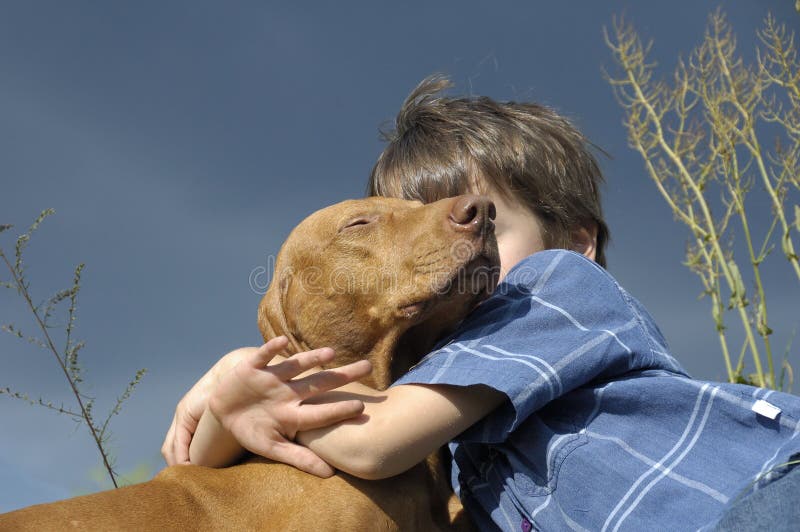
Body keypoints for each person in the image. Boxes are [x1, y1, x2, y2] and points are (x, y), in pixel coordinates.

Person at [162, 76, 800, 531]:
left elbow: (372, 442)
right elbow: (193, 469)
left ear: (578, 243)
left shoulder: (555, 290)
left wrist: (240, 391)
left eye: (489, 218)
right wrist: (231, 399)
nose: (462, 225)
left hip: (765, 494)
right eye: (398, 221)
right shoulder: (458, 450)